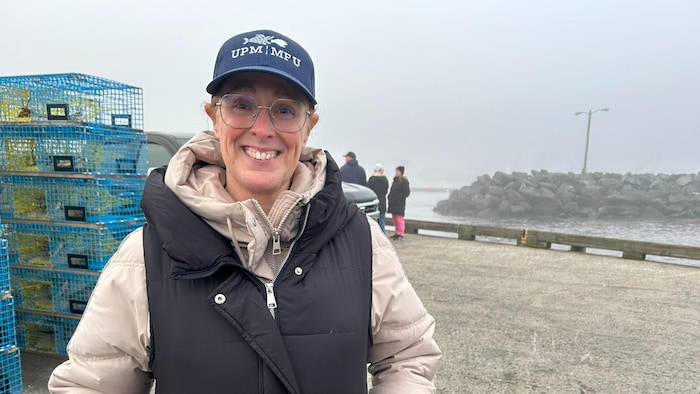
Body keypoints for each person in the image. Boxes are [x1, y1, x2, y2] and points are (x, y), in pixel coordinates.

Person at [48, 29, 440, 393]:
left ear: (308, 127)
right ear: (214, 118)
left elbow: (408, 356)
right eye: (241, 105)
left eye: (285, 110)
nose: (262, 128)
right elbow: (88, 384)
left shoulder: (363, 242)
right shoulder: (144, 256)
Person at [388, 165, 411, 241]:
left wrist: (398, 197)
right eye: (396, 171)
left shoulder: (404, 182)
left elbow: (406, 193)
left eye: (398, 171)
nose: (396, 173)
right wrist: (390, 197)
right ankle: (397, 232)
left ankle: (400, 233)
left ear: (401, 173)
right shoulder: (395, 181)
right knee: (394, 218)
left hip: (399, 203)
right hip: (393, 202)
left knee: (399, 218)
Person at [367, 163, 389, 233]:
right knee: (382, 219)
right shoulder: (385, 179)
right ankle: (383, 234)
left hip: (373, 202)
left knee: (372, 220)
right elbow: (386, 191)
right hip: (382, 201)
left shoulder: (372, 179)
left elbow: (368, 190)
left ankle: (375, 235)